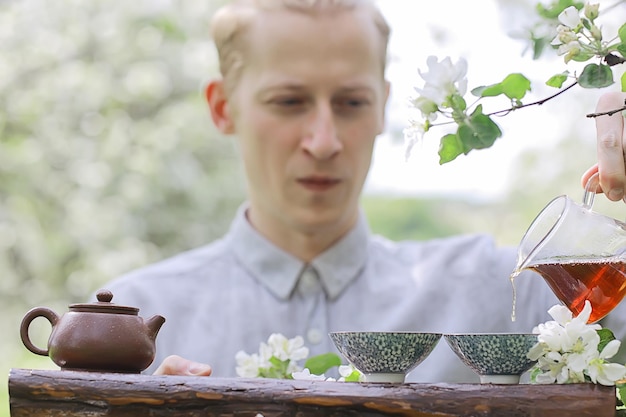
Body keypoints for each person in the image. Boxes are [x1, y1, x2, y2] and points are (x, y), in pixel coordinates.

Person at [102, 0, 626, 381]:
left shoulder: (511, 294)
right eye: (289, 101)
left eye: (351, 102)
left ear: (383, 107)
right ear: (222, 108)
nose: (324, 141)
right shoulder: (131, 319)